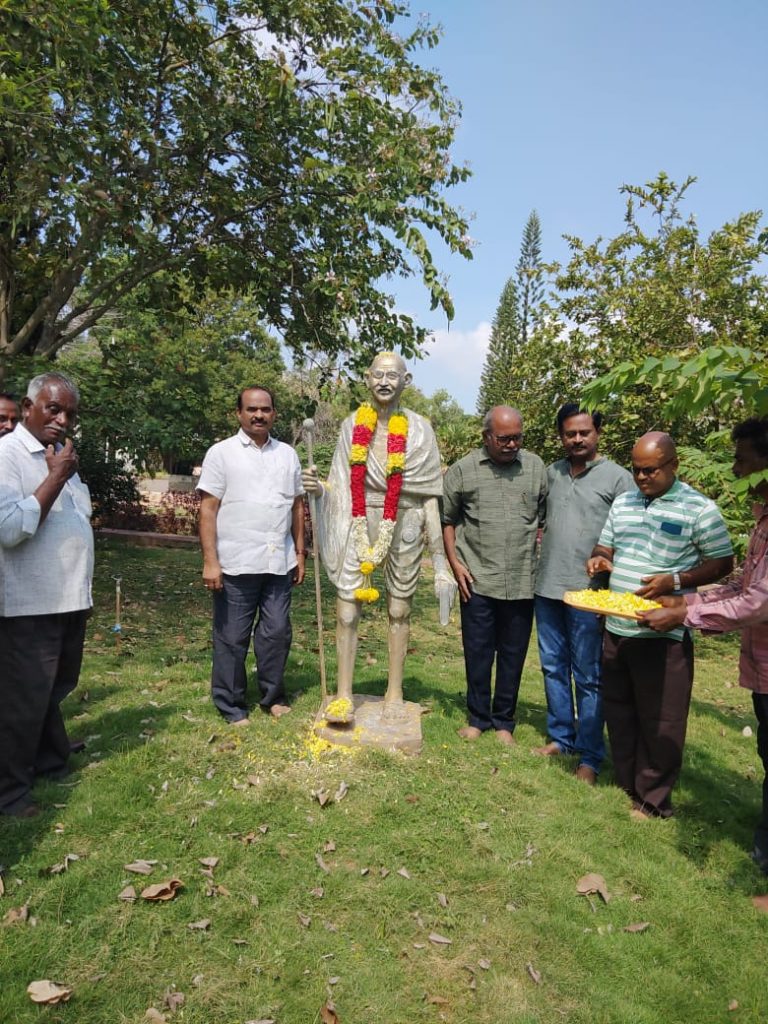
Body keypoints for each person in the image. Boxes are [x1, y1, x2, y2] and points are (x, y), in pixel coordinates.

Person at [639, 418, 768, 866]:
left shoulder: (710, 511)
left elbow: (757, 602)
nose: (733, 470)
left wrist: (683, 608)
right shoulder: (762, 522)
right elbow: (741, 586)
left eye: (741, 461)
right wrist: (683, 602)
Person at [587, 431, 734, 818]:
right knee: (620, 710)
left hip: (662, 632)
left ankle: (653, 800)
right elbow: (606, 546)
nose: (640, 478)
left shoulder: (698, 509)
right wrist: (600, 559)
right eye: (635, 470)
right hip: (618, 627)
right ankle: (626, 785)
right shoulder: (624, 502)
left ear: (673, 466)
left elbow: (723, 563)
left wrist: (677, 580)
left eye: (649, 470)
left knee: (661, 719)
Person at [302, 351, 455, 718]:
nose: (385, 382)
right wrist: (318, 489)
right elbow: (339, 485)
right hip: (356, 519)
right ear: (367, 379)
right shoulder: (351, 425)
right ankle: (342, 695)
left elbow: (429, 500)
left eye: (393, 375)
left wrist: (441, 562)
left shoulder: (420, 430)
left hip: (404, 522)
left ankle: (395, 694)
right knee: (347, 612)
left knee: (399, 610)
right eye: (378, 375)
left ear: (407, 381)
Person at [0, 372, 93, 818]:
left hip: (69, 597)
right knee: (23, 699)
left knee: (55, 687)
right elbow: (9, 529)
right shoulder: (8, 455)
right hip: (29, 602)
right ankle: (11, 793)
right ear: (28, 405)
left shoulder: (60, 455)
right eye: (53, 409)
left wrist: (61, 470)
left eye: (69, 413)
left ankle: (49, 758)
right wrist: (55, 478)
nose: (62, 420)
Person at [534, 403, 633, 783]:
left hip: (591, 594)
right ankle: (561, 738)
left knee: (588, 675)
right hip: (547, 588)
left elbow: (628, 536)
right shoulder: (552, 474)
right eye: (569, 433)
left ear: (597, 434)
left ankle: (590, 756)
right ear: (561, 435)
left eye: (584, 432)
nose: (577, 439)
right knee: (553, 666)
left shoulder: (618, 479)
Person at [197, 386, 305, 725]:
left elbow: (297, 506)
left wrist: (300, 553)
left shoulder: (287, 454)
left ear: (274, 414)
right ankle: (231, 705)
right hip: (235, 563)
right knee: (232, 637)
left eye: (265, 409)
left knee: (276, 633)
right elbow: (208, 509)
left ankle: (272, 696)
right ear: (239, 414)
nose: (259, 415)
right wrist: (210, 561)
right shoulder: (222, 453)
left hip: (279, 563)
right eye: (252, 409)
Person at [442, 407, 547, 745]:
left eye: (517, 437)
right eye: (504, 438)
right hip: (477, 578)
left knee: (513, 654)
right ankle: (477, 718)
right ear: (486, 436)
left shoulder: (535, 469)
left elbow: (543, 519)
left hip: (521, 580)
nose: (511, 444)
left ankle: (504, 722)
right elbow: (447, 519)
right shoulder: (463, 470)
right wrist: (455, 563)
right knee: (478, 651)